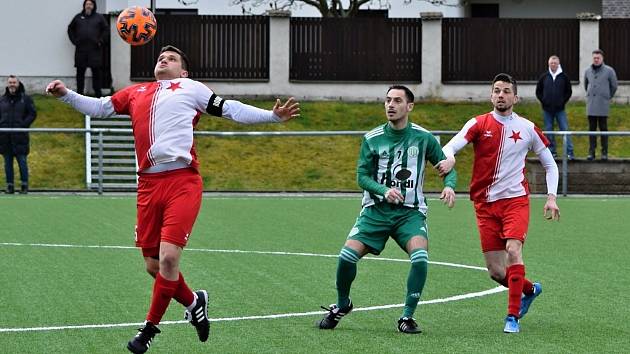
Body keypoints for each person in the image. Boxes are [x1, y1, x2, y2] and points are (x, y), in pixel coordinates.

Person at [46, 45, 299, 353]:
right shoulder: (136, 92)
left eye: (172, 58)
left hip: (182, 182)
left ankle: (148, 331)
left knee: (168, 259)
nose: (163, 60)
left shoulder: (190, 88)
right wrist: (66, 94)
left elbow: (231, 108)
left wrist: (272, 116)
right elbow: (99, 107)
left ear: (184, 71)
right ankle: (194, 302)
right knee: (154, 266)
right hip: (148, 186)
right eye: (160, 57)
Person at [317, 85, 456, 334]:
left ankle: (407, 317)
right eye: (388, 100)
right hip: (375, 212)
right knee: (346, 257)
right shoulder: (372, 139)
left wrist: (450, 186)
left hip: (410, 213)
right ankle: (342, 305)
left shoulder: (424, 138)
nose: (390, 105)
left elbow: (447, 166)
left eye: (397, 101)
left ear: (409, 107)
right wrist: (383, 191)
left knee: (420, 258)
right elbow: (362, 176)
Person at [437, 73, 560, 334]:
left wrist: (551, 197)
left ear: (516, 97)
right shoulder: (478, 123)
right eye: (496, 91)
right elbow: (449, 148)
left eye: (506, 91)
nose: (501, 95)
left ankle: (512, 317)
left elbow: (550, 164)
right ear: (491, 95)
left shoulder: (527, 128)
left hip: (515, 201)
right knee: (495, 272)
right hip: (484, 204)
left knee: (514, 251)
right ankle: (530, 289)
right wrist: (449, 160)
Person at [0, 75, 37, 194]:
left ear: (18, 83)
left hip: (20, 137)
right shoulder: (2, 100)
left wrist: (23, 125)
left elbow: (32, 114)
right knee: (8, 164)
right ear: (7, 84)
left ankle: (24, 186)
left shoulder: (25, 99)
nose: (12, 84)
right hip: (5, 138)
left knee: (22, 162)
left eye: (14, 82)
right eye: (10, 82)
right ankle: (9, 186)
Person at [535, 55, 573, 160]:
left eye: (555, 63)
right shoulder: (544, 77)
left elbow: (568, 92)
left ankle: (569, 152)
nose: (553, 65)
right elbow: (538, 91)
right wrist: (544, 102)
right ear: (549, 64)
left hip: (560, 109)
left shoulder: (564, 77)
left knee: (565, 129)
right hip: (547, 110)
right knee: (548, 130)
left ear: (558, 64)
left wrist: (562, 102)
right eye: (551, 63)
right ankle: (552, 152)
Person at [67, 0, 108, 97]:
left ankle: (98, 95)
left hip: (95, 50)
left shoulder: (99, 18)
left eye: (90, 4)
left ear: (94, 6)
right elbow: (70, 29)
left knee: (96, 73)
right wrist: (74, 41)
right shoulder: (78, 17)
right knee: (80, 73)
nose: (88, 6)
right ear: (84, 6)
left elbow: (106, 29)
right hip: (81, 50)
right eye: (87, 4)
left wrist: (100, 41)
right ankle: (79, 94)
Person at [584, 49, 617, 161]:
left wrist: (606, 96)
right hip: (591, 105)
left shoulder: (609, 71)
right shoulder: (588, 71)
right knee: (591, 130)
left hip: (603, 105)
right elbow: (586, 85)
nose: (596, 60)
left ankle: (604, 153)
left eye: (598, 58)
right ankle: (591, 152)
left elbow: (614, 86)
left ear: (602, 58)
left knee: (604, 130)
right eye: (594, 58)